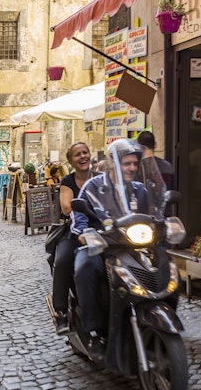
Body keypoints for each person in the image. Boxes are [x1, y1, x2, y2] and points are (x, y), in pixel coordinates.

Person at [71, 139, 150, 359]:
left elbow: (155, 215)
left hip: (133, 247)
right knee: (85, 267)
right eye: (127, 163)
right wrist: (86, 234)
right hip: (101, 246)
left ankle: (156, 311)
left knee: (163, 264)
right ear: (113, 164)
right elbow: (78, 216)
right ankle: (94, 331)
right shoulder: (94, 186)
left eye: (135, 163)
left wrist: (165, 224)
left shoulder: (139, 190)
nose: (132, 168)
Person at [51, 142, 96, 335]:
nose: (83, 156)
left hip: (100, 231)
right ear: (71, 161)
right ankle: (61, 312)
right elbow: (67, 207)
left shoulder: (100, 178)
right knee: (62, 262)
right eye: (78, 155)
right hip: (75, 232)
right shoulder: (68, 182)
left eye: (85, 152)